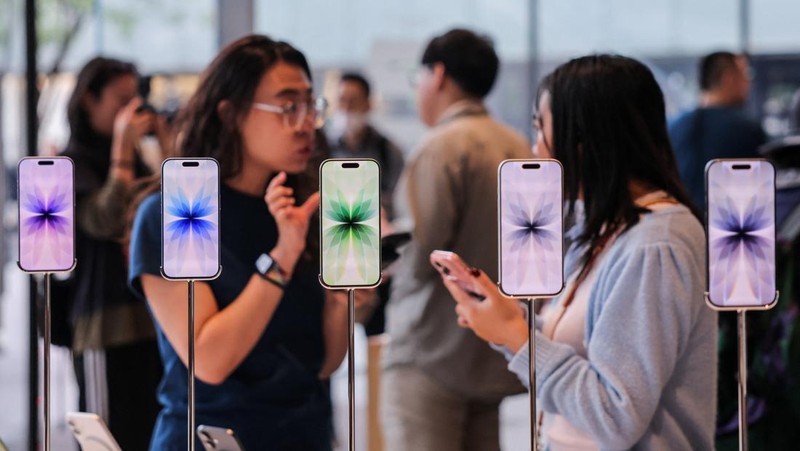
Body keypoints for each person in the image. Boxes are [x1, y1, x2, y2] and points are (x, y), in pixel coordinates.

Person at [440, 55, 718, 449]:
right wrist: (507, 324)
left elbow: (614, 414)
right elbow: (581, 367)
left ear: (585, 138)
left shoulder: (656, 244)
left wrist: (518, 339)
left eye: (541, 128)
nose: (535, 147)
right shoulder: (611, 230)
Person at [128, 34, 353, 450]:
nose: (306, 123)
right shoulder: (183, 211)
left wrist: (347, 297)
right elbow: (210, 360)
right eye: (288, 107)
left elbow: (323, 364)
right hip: (212, 438)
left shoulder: (303, 208)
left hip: (305, 436)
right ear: (230, 113)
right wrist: (282, 258)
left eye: (311, 106)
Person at [382, 28, 530, 451]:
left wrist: (388, 241)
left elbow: (420, 258)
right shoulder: (517, 144)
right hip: (491, 352)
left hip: (430, 350)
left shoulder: (440, 147)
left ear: (439, 75)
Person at [59, 56, 167, 450]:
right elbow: (104, 220)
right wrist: (123, 148)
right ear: (90, 99)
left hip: (153, 320)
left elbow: (171, 215)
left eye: (136, 101)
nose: (132, 111)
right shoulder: (71, 163)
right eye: (122, 101)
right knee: (106, 441)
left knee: (151, 434)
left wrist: (166, 147)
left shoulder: (142, 158)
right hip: (103, 326)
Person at [669, 51, 767, 209]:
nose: (748, 84)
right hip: (730, 227)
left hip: (681, 225)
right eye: (745, 76)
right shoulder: (746, 130)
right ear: (728, 78)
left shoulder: (673, 127)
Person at [329, 72, 405, 220]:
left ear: (368, 104)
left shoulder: (388, 152)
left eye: (353, 101)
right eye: (342, 100)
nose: (346, 108)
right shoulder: (323, 149)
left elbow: (398, 203)